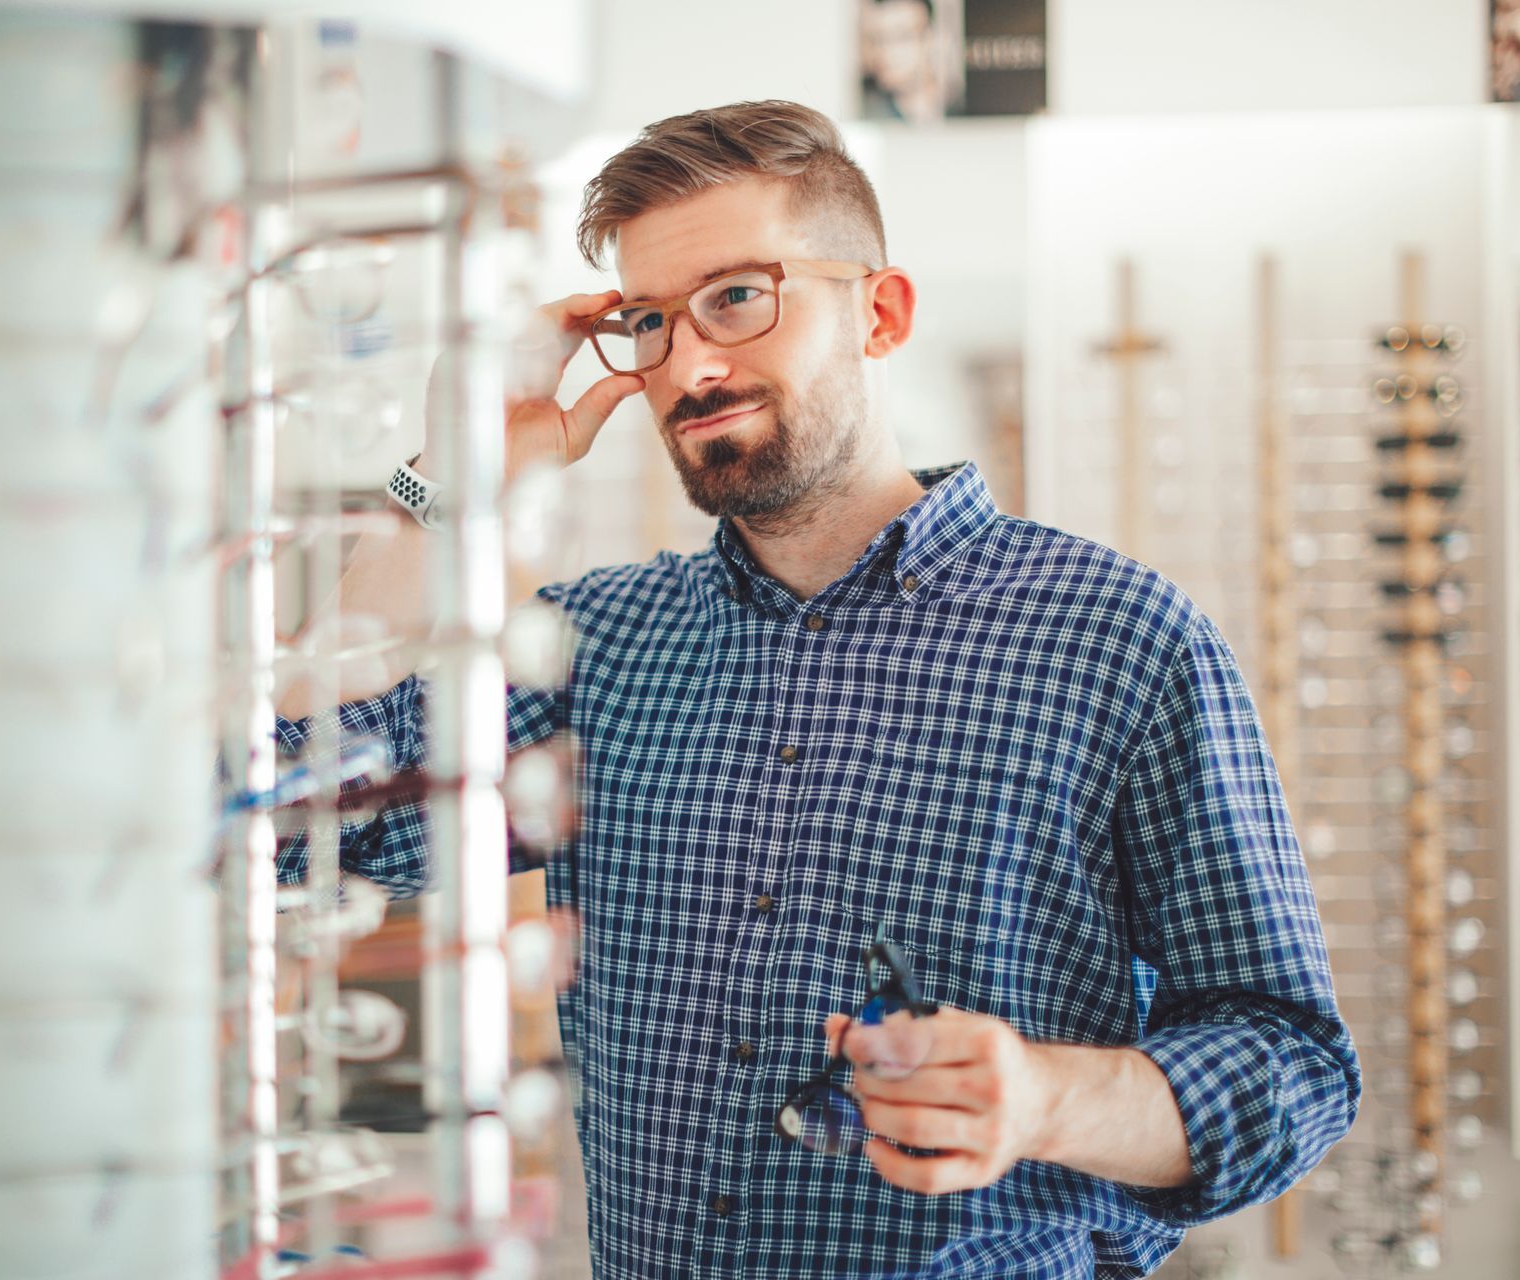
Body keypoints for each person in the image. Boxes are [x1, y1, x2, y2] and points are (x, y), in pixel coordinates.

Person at [305, 100, 1358, 1279]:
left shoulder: (1120, 640)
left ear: (881, 310)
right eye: (649, 322)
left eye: (739, 296)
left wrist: (1046, 1096)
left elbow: (1294, 1066)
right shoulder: (595, 644)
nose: (691, 364)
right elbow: (301, 812)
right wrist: (448, 471)